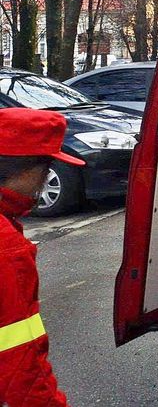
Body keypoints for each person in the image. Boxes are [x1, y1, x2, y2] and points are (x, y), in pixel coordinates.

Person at [0, 108, 79, 407]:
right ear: (22, 170)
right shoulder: (7, 248)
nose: (44, 181)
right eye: (45, 170)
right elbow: (21, 366)